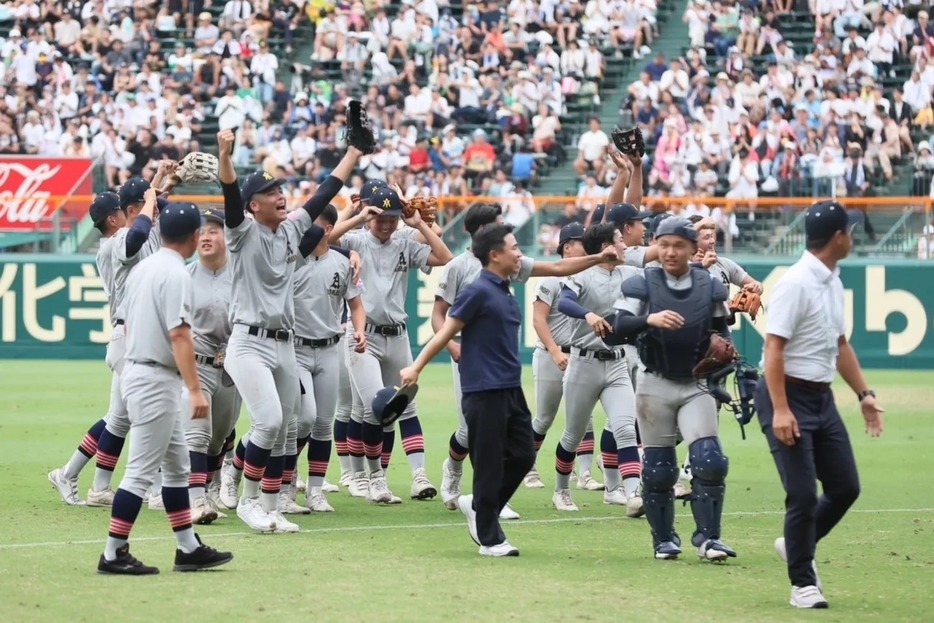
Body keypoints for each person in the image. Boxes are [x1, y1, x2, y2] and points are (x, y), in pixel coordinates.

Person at [431, 206, 626, 512]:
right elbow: (440, 316)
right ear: (484, 233)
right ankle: (455, 475)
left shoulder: (511, 264)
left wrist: (598, 258)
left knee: (511, 437)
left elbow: (559, 268)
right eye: (499, 226)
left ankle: (491, 498)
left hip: (504, 364)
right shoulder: (461, 269)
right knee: (472, 430)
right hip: (469, 357)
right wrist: (450, 350)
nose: (514, 243)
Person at [215, 128, 362, 533]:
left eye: (281, 188)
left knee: (288, 428)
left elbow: (324, 193)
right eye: (271, 191)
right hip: (248, 343)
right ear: (253, 205)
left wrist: (353, 152)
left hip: (284, 344)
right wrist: (224, 155)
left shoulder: (291, 228)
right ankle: (247, 502)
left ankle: (270, 505)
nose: (281, 195)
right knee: (268, 421)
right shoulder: (242, 233)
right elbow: (229, 195)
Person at [755, 200, 884, 609]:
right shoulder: (797, 283)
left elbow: (839, 343)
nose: (853, 235)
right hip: (785, 394)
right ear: (838, 237)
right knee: (803, 495)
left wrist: (864, 395)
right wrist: (780, 409)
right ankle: (802, 583)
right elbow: (773, 349)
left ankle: (796, 545)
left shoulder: (832, 279)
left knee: (846, 486)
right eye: (850, 230)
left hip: (819, 397)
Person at [98, 198, 232, 575]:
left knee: (177, 469)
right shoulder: (175, 273)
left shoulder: (147, 266)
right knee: (141, 472)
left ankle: (187, 548)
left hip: (143, 370)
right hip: (155, 377)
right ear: (193, 235)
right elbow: (179, 334)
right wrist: (194, 389)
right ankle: (113, 552)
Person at [400, 223, 537, 557]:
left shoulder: (504, 287)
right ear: (495, 255)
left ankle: (477, 504)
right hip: (482, 388)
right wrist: (416, 367)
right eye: (514, 248)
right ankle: (490, 539)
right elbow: (445, 331)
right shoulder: (477, 290)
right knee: (489, 465)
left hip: (510, 388)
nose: (519, 253)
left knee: (524, 454)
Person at [610, 216, 737, 562]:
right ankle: (663, 539)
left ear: (693, 248)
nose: (669, 252)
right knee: (658, 468)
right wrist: (649, 319)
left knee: (709, 460)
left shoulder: (709, 285)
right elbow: (616, 327)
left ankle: (709, 538)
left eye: (678, 245)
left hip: (695, 383)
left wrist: (725, 369)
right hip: (655, 383)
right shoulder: (642, 283)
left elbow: (722, 333)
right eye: (663, 244)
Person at [332, 187, 452, 504]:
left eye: (392, 218)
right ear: (371, 215)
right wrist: (355, 214)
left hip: (397, 334)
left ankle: (418, 476)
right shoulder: (356, 240)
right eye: (380, 217)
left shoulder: (404, 242)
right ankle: (375, 479)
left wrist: (418, 224)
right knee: (375, 407)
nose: (386, 224)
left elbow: (445, 258)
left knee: (407, 404)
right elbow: (326, 240)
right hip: (363, 334)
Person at [553, 222, 644, 516]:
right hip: (584, 363)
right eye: (619, 239)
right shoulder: (581, 273)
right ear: (606, 246)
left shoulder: (629, 273)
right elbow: (565, 301)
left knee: (626, 429)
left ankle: (632, 494)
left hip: (616, 362)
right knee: (573, 435)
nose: (624, 245)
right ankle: (561, 490)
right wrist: (587, 313)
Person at [49, 191, 126, 505]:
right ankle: (82, 479)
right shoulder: (113, 246)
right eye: (122, 210)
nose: (126, 214)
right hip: (127, 338)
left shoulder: (113, 243)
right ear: (112, 218)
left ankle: (75, 476)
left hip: (127, 337)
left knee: (118, 417)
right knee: (120, 418)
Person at [291, 204, 367, 512]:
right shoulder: (291, 260)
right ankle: (283, 483)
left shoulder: (342, 263)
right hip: (294, 348)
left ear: (326, 228)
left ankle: (315, 491)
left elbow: (356, 304)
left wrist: (359, 330)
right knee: (303, 418)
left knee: (323, 424)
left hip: (329, 348)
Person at [525, 222, 599, 490]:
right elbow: (538, 319)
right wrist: (555, 350)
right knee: (544, 417)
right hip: (550, 354)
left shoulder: (590, 276)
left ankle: (586, 474)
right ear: (567, 247)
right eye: (581, 241)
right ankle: (528, 467)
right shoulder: (551, 278)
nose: (587, 245)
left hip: (580, 354)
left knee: (584, 416)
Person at [183, 209, 240, 525]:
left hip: (232, 367)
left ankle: (210, 485)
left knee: (218, 438)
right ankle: (196, 500)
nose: (206, 236)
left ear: (227, 237)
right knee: (197, 435)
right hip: (198, 364)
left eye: (214, 230)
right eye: (201, 231)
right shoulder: (186, 276)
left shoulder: (242, 273)